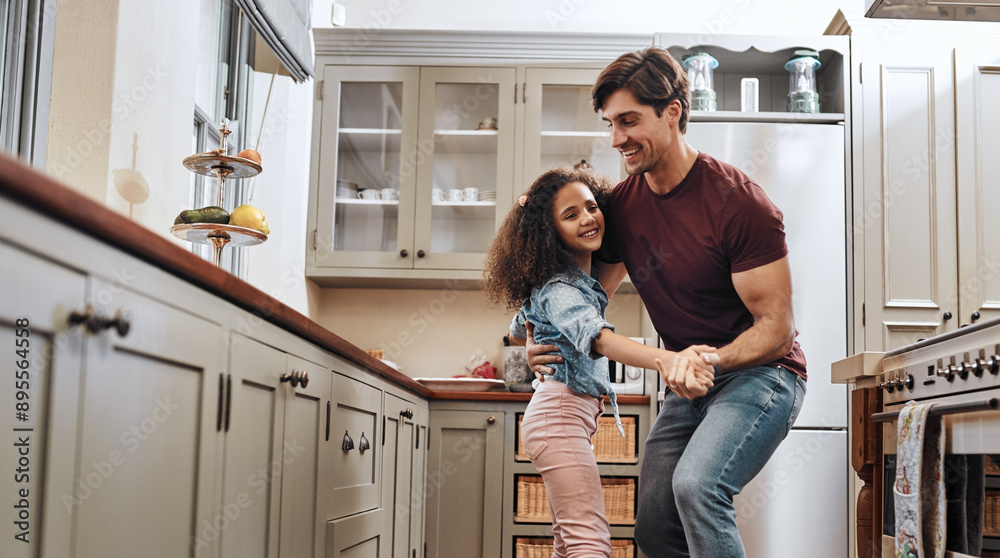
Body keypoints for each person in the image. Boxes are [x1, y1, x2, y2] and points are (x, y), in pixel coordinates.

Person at [526, 47, 808, 558]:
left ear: (672, 111)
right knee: (655, 525)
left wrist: (707, 358)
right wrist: (537, 345)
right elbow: (588, 305)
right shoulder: (626, 206)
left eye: (629, 121)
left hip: (763, 374)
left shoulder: (740, 204)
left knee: (697, 487)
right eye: (610, 123)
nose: (617, 139)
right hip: (687, 383)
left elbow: (777, 328)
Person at [482, 166, 717, 558]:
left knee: (568, 543)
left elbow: (519, 327)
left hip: (564, 419)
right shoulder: (560, 288)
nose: (588, 218)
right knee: (589, 543)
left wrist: (528, 343)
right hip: (559, 417)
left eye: (591, 207)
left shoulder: (577, 281)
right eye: (570, 215)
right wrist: (667, 359)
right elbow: (600, 339)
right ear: (549, 232)